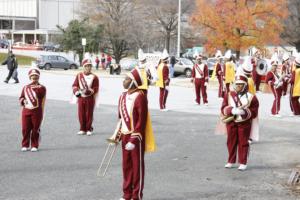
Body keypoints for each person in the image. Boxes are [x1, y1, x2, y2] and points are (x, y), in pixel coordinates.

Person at [118, 68, 156, 200]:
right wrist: (117, 135)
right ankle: (126, 194)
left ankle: (136, 195)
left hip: (136, 137)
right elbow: (121, 119)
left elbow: (142, 120)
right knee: (126, 166)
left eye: (126, 79)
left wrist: (133, 140)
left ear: (133, 82)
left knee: (137, 166)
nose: (124, 81)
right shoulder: (122, 96)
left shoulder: (140, 97)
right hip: (124, 134)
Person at [221, 74, 259, 171]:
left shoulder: (252, 97)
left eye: (240, 84)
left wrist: (245, 112)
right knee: (231, 141)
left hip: (244, 123)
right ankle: (230, 160)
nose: (238, 86)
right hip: (231, 122)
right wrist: (231, 110)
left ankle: (243, 162)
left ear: (245, 85)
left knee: (243, 142)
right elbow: (223, 108)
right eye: (236, 84)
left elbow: (254, 112)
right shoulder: (229, 95)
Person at [19, 68, 46, 152]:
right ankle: (25, 145)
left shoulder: (42, 88)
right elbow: (21, 97)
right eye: (32, 76)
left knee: (35, 129)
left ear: (38, 77)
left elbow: (40, 95)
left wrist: (34, 86)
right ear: (29, 77)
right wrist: (23, 100)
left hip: (37, 111)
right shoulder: (25, 87)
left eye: (36, 76)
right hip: (26, 110)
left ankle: (34, 145)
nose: (34, 77)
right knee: (25, 128)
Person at [72, 58, 99, 135]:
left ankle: (89, 128)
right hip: (81, 97)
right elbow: (75, 85)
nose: (88, 67)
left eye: (90, 66)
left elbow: (96, 88)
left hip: (90, 98)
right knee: (81, 113)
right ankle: (82, 128)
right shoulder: (79, 75)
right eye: (86, 66)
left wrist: (89, 91)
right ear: (83, 66)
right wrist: (76, 91)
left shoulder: (95, 77)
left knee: (89, 114)